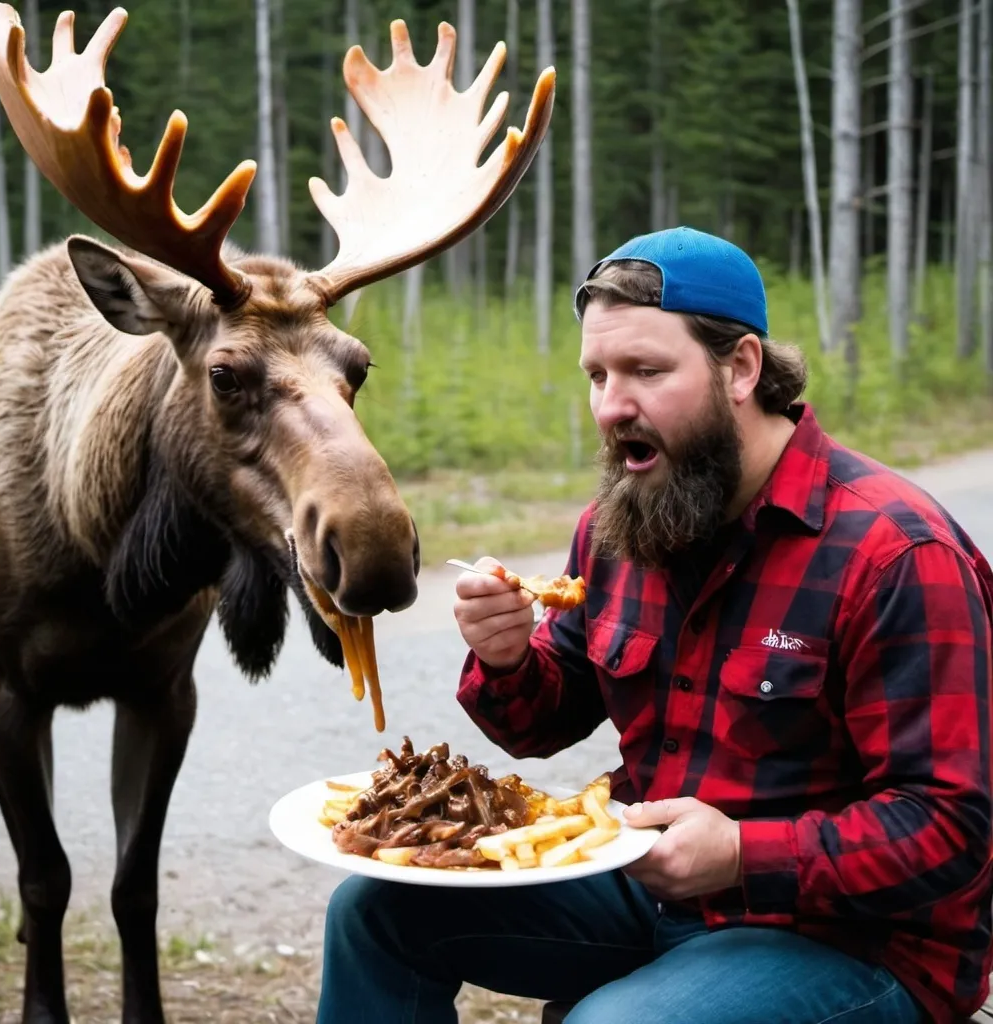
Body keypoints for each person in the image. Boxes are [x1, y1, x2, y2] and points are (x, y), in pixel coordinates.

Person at [317, 226, 993, 1024]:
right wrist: (505, 661)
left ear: (741, 368)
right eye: (597, 375)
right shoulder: (622, 525)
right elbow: (544, 721)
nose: (612, 406)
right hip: (650, 883)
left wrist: (743, 853)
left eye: (646, 371)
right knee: (373, 911)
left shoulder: (894, 552)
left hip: (850, 943)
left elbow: (953, 828)